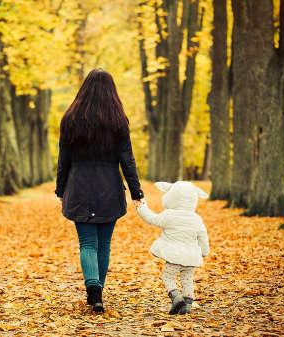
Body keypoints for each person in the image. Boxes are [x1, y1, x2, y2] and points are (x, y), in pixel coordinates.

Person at [55, 68, 144, 313]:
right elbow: (127, 158)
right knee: (104, 245)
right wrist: (136, 191)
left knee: (87, 244)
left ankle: (93, 291)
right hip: (109, 187)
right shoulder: (118, 119)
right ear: (111, 91)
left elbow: (64, 158)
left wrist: (60, 188)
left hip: (79, 185)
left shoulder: (70, 118)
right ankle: (98, 295)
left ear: (84, 89)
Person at [136, 181, 210, 315]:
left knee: (168, 277)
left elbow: (152, 219)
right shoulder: (196, 219)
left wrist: (141, 207)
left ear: (172, 197)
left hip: (174, 256)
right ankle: (187, 306)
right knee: (187, 280)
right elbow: (202, 236)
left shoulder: (168, 215)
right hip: (191, 258)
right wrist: (204, 251)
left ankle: (176, 298)